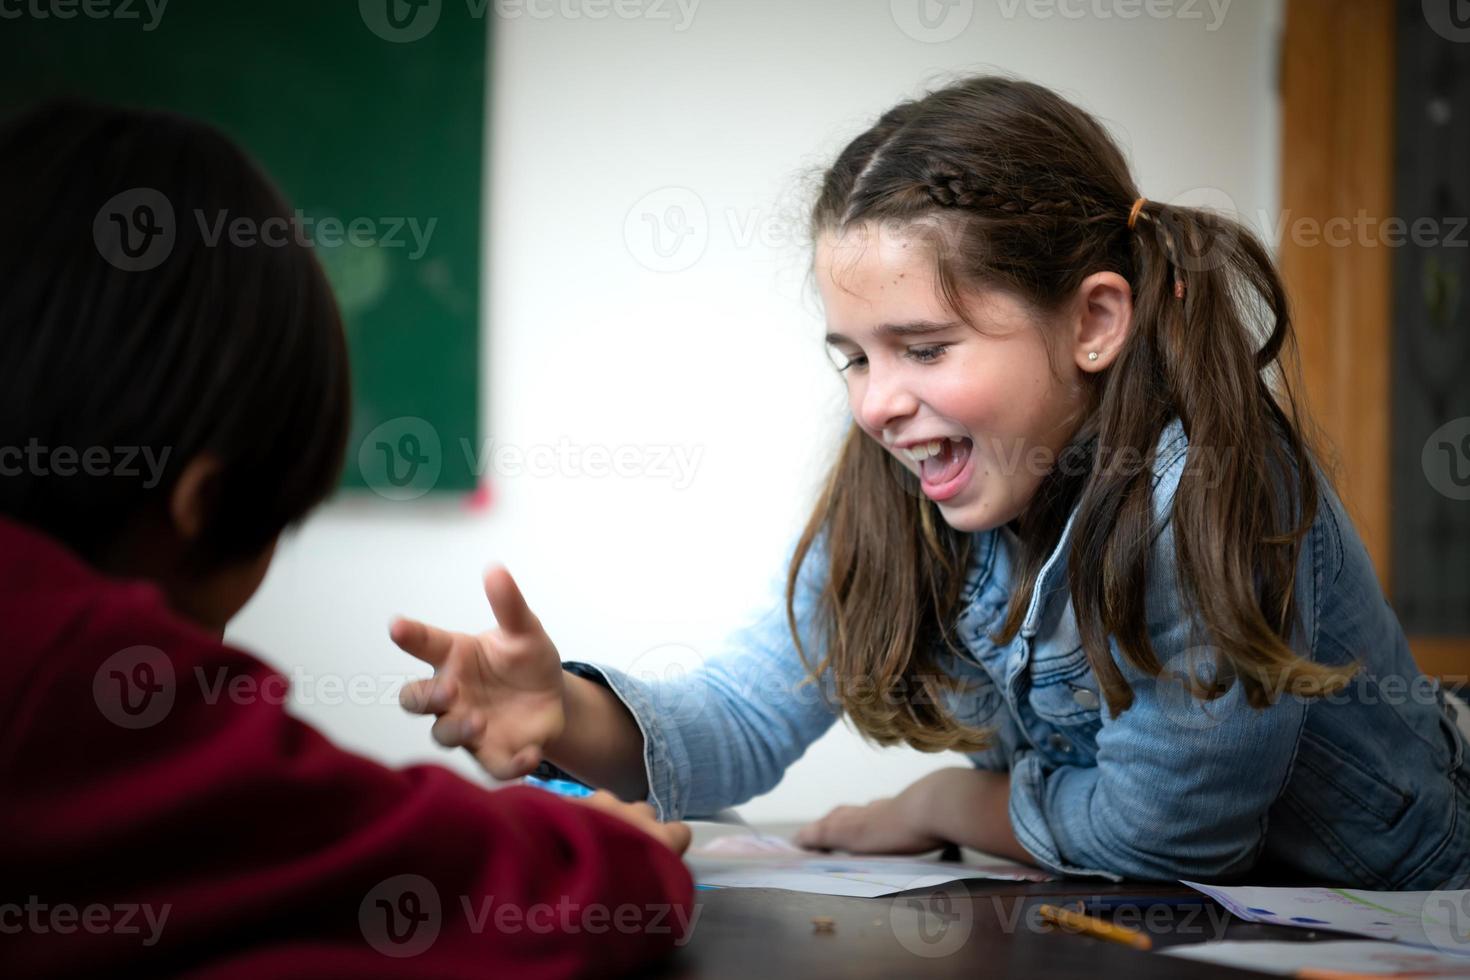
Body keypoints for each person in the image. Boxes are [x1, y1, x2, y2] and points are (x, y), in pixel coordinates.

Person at [394, 75, 1470, 889]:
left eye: (923, 345)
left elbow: (1168, 831)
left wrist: (945, 798)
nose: (872, 405)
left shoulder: (1211, 492)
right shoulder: (902, 488)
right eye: (854, 355)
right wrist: (566, 713)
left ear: (1094, 321)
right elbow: (739, 709)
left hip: (1400, 886)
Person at [0, 100, 694, 977]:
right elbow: (474, 888)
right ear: (204, 504)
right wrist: (600, 850)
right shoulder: (64, 670)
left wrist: (569, 712)